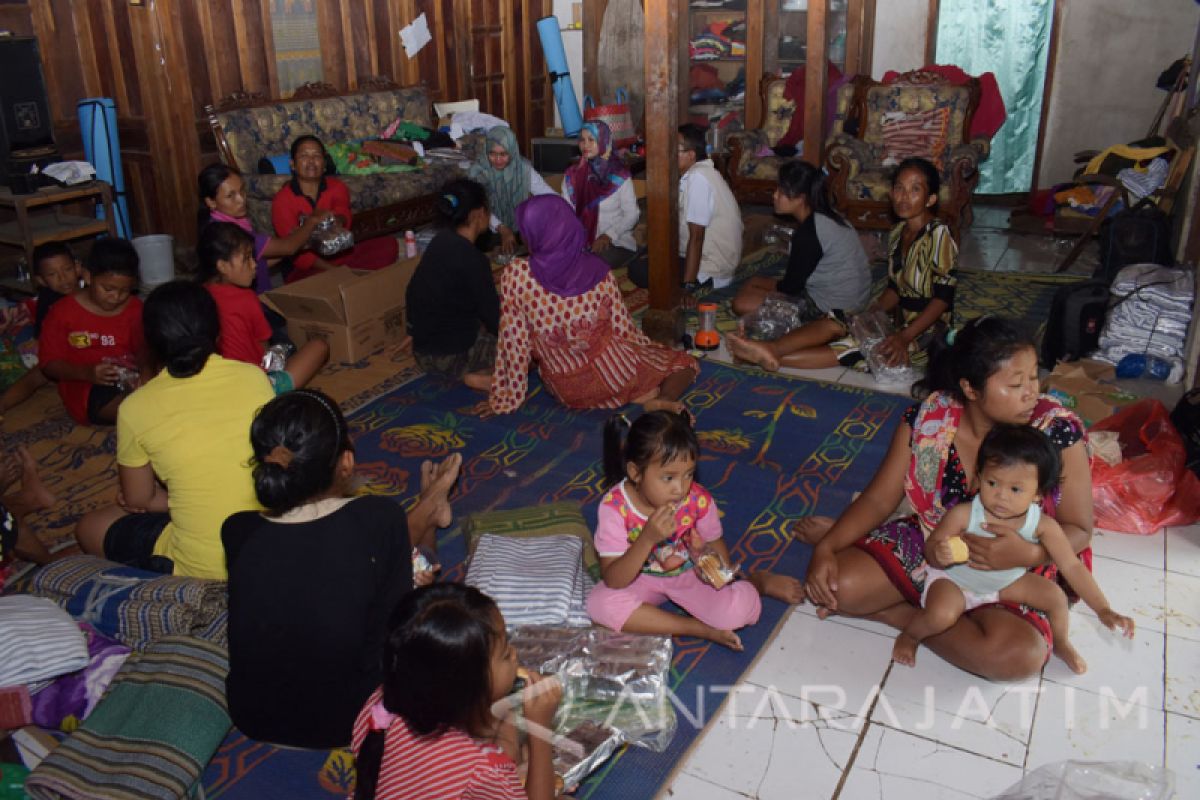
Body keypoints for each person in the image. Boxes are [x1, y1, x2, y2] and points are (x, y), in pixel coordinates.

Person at [802, 317, 1096, 681]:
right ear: (970, 389)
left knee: (1015, 657)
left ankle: (902, 614)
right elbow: (880, 500)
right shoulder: (930, 422)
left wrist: (1030, 553)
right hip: (933, 541)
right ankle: (937, 614)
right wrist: (827, 549)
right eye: (1016, 384)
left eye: (1035, 377)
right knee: (836, 587)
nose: (1031, 393)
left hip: (1014, 564)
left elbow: (1080, 528)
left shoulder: (1056, 432)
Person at [222, 390, 462, 748]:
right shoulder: (378, 517)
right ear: (346, 463)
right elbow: (395, 629)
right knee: (445, 619)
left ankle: (430, 508)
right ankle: (430, 507)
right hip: (353, 720)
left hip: (253, 715)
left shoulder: (237, 529)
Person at [893, 424, 1134, 672]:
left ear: (1038, 494)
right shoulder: (964, 514)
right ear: (979, 477)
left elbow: (1071, 565)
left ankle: (1061, 642)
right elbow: (931, 548)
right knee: (940, 615)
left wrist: (1103, 609)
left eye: (1015, 489)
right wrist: (939, 554)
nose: (1001, 496)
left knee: (1055, 597)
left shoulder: (1043, 525)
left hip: (1005, 582)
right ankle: (910, 636)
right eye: (992, 483)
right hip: (955, 579)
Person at [74, 281, 274, 579]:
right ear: (216, 330)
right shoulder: (253, 377)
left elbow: (139, 500)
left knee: (90, 527)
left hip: (202, 569)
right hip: (269, 547)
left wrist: (183, 496)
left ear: (152, 342)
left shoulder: (134, 408)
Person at [586, 411, 804, 651]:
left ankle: (757, 583)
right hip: (639, 577)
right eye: (668, 477)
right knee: (600, 605)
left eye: (688, 474)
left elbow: (717, 544)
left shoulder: (697, 500)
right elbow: (614, 580)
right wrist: (646, 539)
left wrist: (710, 565)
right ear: (635, 472)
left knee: (736, 613)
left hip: (686, 573)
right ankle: (697, 628)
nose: (680, 488)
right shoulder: (615, 508)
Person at [487, 195, 697, 415]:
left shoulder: (515, 276)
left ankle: (639, 392)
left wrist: (506, 395)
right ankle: (661, 398)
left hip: (564, 388)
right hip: (616, 375)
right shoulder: (599, 271)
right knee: (683, 362)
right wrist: (648, 351)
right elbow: (623, 331)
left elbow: (514, 343)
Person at [351, 583, 562, 800]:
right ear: (470, 687)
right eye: (505, 655)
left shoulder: (382, 705)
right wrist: (539, 730)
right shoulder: (481, 770)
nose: (515, 653)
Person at [726, 161, 871, 371]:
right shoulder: (830, 218)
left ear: (801, 198)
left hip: (830, 309)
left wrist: (763, 289)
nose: (774, 195)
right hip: (854, 300)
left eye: (781, 192)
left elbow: (790, 287)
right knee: (756, 282)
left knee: (742, 302)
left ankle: (783, 336)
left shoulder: (809, 234)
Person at [197, 222, 329, 393]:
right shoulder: (247, 298)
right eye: (246, 259)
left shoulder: (197, 297)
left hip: (216, 387)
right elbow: (264, 351)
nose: (254, 264)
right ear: (222, 266)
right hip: (254, 388)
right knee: (319, 346)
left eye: (253, 257)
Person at [39, 238, 146, 426]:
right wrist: (87, 372)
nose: (116, 297)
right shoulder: (62, 312)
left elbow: (146, 351)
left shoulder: (136, 309)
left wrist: (143, 376)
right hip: (85, 386)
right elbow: (49, 364)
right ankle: (145, 414)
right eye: (108, 289)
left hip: (130, 379)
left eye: (125, 291)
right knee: (113, 403)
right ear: (88, 277)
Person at [406, 179, 500, 392]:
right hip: (455, 356)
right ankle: (488, 377)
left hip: (422, 353)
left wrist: (412, 330)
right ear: (478, 214)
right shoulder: (474, 259)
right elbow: (496, 320)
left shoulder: (440, 242)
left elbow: (412, 290)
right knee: (532, 347)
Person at [629, 123, 743, 296]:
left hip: (710, 266)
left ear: (691, 155)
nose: (668, 153)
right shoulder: (699, 172)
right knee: (650, 250)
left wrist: (687, 286)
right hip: (701, 254)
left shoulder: (698, 179)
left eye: (675, 149)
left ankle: (694, 281)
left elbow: (697, 238)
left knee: (639, 270)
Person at [270, 135, 399, 284]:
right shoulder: (282, 201)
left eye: (316, 155)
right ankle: (350, 280)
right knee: (309, 284)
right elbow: (296, 252)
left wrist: (338, 220)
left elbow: (344, 214)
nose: (311, 161)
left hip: (341, 256)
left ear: (324, 164)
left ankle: (351, 279)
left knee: (389, 245)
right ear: (292, 164)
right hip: (308, 266)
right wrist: (335, 272)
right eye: (304, 156)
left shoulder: (337, 187)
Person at [198, 163, 333, 295]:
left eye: (242, 190)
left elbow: (258, 263)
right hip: (250, 301)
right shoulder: (227, 234)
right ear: (211, 202)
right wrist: (312, 221)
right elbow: (288, 247)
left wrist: (301, 242)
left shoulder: (222, 222)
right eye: (230, 196)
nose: (241, 200)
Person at [2, 242, 81, 414]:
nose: (63, 278)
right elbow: (48, 339)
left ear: (77, 267)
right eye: (53, 274)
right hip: (55, 345)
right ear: (41, 280)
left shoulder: (89, 290)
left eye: (67, 270)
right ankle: (3, 404)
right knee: (39, 373)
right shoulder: (50, 301)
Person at [467, 126, 556, 255]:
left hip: (519, 228)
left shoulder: (523, 170)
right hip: (486, 230)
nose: (497, 160)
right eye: (492, 153)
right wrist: (503, 229)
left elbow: (547, 194)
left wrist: (564, 211)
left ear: (512, 152)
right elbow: (479, 206)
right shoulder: (477, 173)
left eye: (503, 154)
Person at [560, 121, 639, 267]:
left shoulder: (620, 176)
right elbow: (567, 213)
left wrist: (608, 236)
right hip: (580, 239)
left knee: (593, 262)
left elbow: (632, 214)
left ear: (604, 141)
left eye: (591, 140)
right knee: (558, 256)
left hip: (615, 242)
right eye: (582, 140)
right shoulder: (572, 175)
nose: (585, 145)